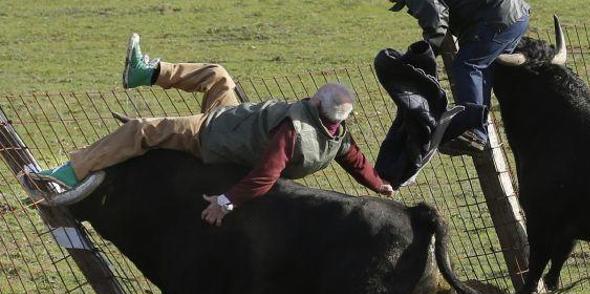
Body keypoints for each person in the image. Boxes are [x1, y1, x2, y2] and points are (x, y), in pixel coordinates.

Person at [33, 34, 394, 226]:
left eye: (313, 96)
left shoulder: (292, 132)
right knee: (217, 75)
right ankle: (145, 72)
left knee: (143, 129)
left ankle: (67, 174)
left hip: (216, 137)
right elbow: (356, 161)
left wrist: (226, 201)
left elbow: (266, 175)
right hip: (238, 122)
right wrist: (379, 184)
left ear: (318, 105)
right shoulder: (336, 137)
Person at [390, 0, 530, 156]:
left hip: (498, 18)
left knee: (467, 66)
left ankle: (475, 132)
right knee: (484, 71)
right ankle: (483, 131)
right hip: (516, 15)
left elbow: (436, 21)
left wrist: (423, 56)